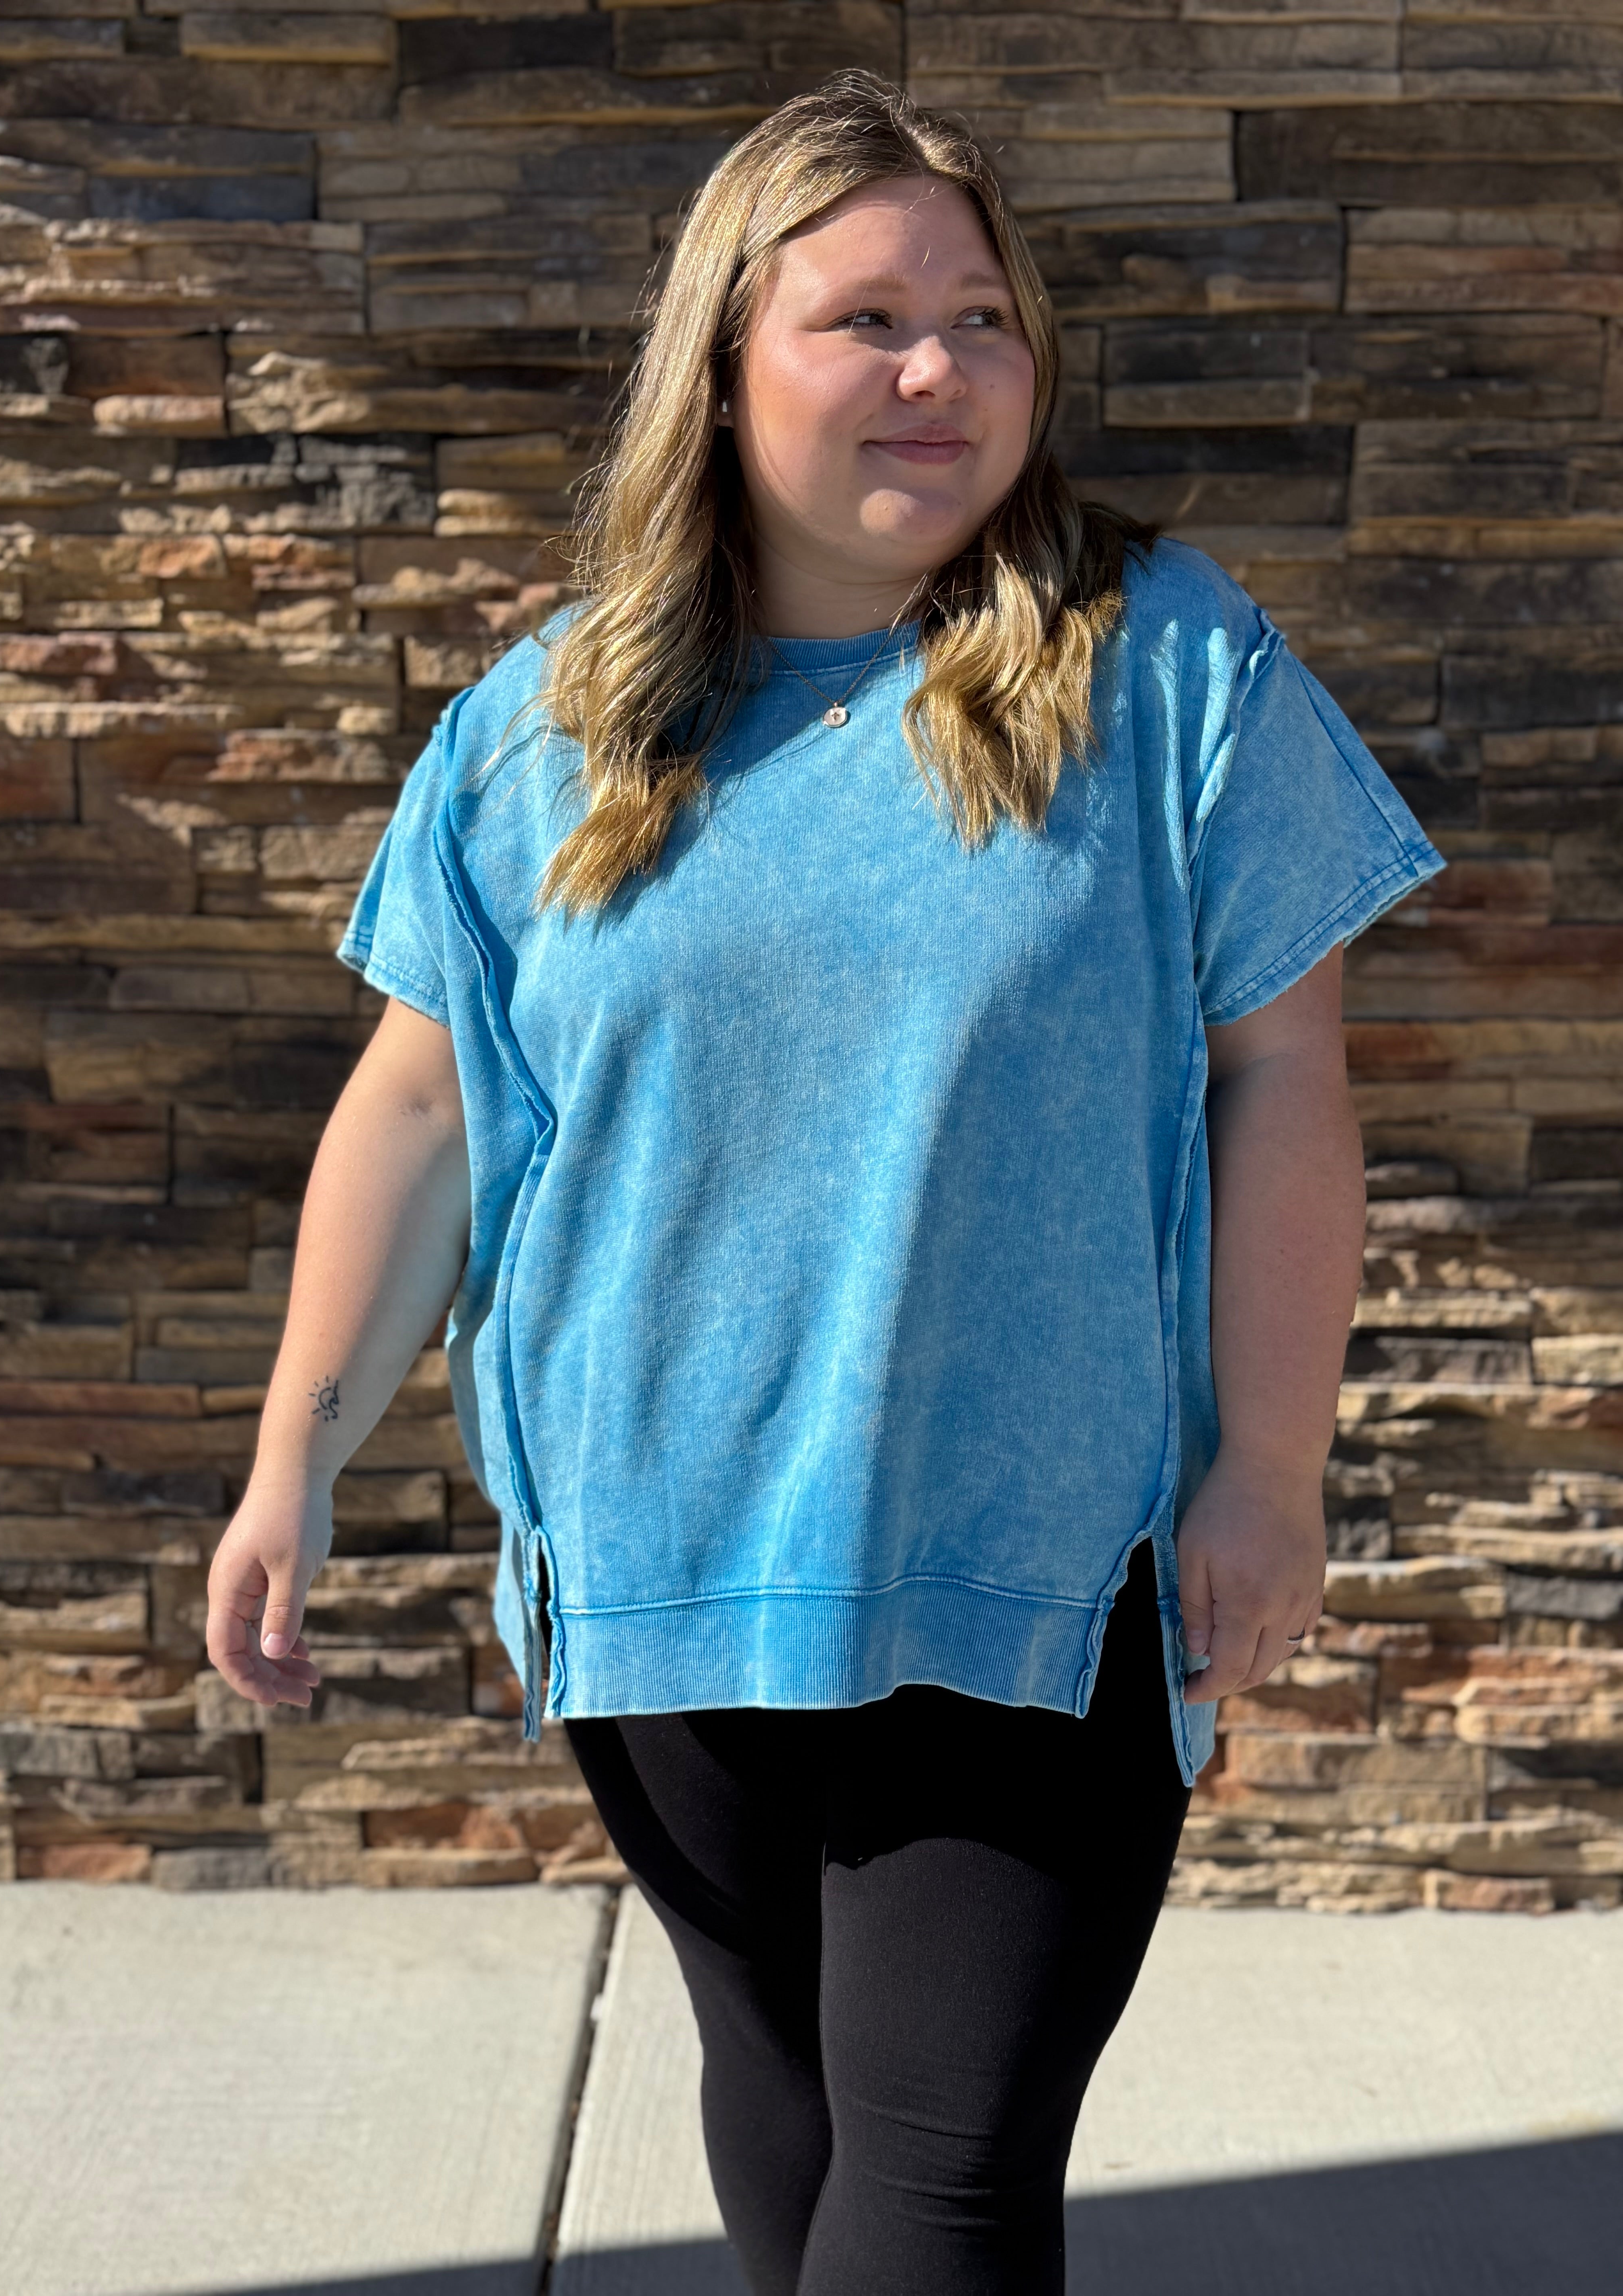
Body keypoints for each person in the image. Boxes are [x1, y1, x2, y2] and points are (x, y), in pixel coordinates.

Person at [206, 70, 1445, 2296]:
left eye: (983, 319)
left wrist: (1271, 1464)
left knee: (938, 2187)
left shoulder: (1167, 670)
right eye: (867, 319)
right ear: (720, 365)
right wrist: (296, 1452)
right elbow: (422, 1108)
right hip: (660, 1561)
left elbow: (1283, 1079)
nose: (939, 369)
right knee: (788, 2121)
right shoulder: (547, 727)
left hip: (1033, 1570)